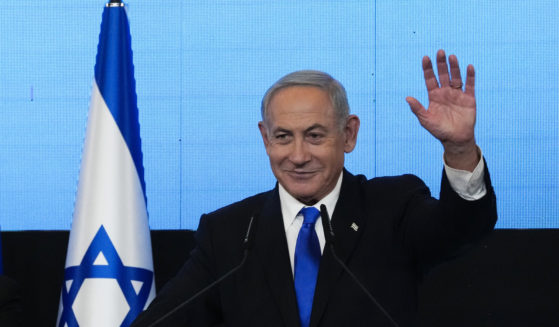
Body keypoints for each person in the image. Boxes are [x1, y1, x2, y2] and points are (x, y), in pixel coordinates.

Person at [132, 50, 497, 327]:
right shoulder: (229, 233)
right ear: (265, 138)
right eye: (283, 137)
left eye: (315, 136)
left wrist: (460, 148)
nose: (298, 155)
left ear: (348, 134)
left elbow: (461, 229)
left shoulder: (392, 208)